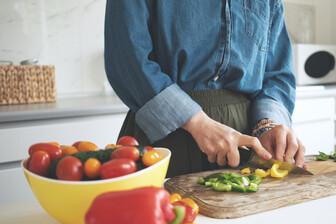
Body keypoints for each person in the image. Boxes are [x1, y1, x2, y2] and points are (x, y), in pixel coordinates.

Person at [104, 0, 306, 177]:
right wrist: (197, 123)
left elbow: (278, 73)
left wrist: (266, 125)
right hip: (167, 140)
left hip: (247, 143)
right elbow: (128, 58)